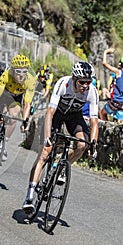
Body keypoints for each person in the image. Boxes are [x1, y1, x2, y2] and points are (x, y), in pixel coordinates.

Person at [22, 61, 99, 214]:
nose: (85, 86)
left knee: (82, 145)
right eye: (82, 82)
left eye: (88, 82)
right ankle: (29, 196)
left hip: (74, 117)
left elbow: (94, 121)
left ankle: (61, 168)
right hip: (56, 114)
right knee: (45, 152)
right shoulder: (63, 83)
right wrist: (47, 137)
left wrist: (93, 145)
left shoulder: (92, 92)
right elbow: (49, 112)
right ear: (74, 79)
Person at [100, 48, 123, 121]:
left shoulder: (118, 72)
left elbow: (104, 63)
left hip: (115, 103)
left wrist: (106, 52)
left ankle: (106, 129)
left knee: (103, 113)